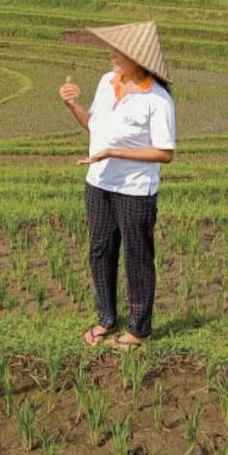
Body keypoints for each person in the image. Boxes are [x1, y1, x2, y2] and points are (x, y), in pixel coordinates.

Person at [59, 21, 176, 352]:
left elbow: (165, 153)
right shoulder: (105, 82)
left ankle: (139, 331)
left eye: (119, 51)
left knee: (137, 257)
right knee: (100, 250)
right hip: (98, 183)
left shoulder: (158, 100)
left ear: (139, 59)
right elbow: (92, 126)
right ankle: (105, 319)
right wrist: (71, 105)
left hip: (135, 190)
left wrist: (113, 152)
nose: (112, 54)